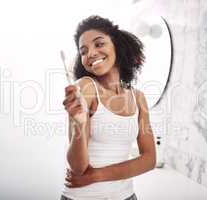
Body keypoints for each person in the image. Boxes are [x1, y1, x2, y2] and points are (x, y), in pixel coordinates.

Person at [61, 15, 156, 200]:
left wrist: (97, 175)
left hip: (127, 196)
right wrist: (79, 124)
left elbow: (149, 159)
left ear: (116, 45)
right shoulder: (86, 88)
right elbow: (78, 168)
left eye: (99, 44)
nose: (91, 54)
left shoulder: (138, 98)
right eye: (83, 51)